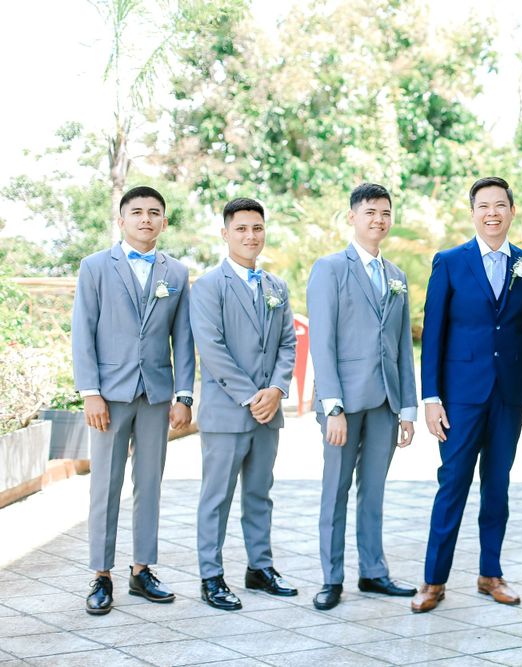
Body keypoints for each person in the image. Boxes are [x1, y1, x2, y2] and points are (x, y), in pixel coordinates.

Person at [412, 176, 522, 613]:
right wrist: (431, 398)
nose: (492, 213)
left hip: (509, 396)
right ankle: (433, 580)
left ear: (512, 211)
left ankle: (491, 573)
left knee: (498, 486)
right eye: (484, 206)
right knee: (452, 483)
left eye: (500, 205)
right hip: (460, 398)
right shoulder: (450, 262)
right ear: (472, 213)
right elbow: (433, 334)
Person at [72, 185, 195, 615]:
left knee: (149, 483)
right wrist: (90, 392)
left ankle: (142, 570)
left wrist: (183, 394)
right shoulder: (94, 267)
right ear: (121, 219)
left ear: (164, 221)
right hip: (109, 394)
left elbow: (184, 338)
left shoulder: (176, 273)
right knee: (105, 486)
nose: (146, 219)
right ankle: (101, 575)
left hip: (156, 395)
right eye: (138, 212)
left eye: (154, 212)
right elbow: (83, 331)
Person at [306, 183, 418, 610]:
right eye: (370, 212)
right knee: (335, 491)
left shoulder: (397, 276)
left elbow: (402, 345)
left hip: (385, 403)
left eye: (385, 212)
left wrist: (407, 407)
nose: (378, 219)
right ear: (352, 217)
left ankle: (373, 572)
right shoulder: (330, 269)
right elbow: (322, 342)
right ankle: (331, 578)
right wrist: (331, 406)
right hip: (344, 404)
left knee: (374, 491)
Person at [189, 197, 297, 610]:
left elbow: (287, 343)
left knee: (259, 493)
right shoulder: (209, 286)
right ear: (225, 234)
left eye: (257, 228)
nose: (251, 236)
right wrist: (253, 396)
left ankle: (260, 567)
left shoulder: (276, 287)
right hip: (227, 411)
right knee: (216, 497)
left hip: (269, 412)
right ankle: (211, 576)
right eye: (241, 229)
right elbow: (211, 348)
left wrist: (277, 390)